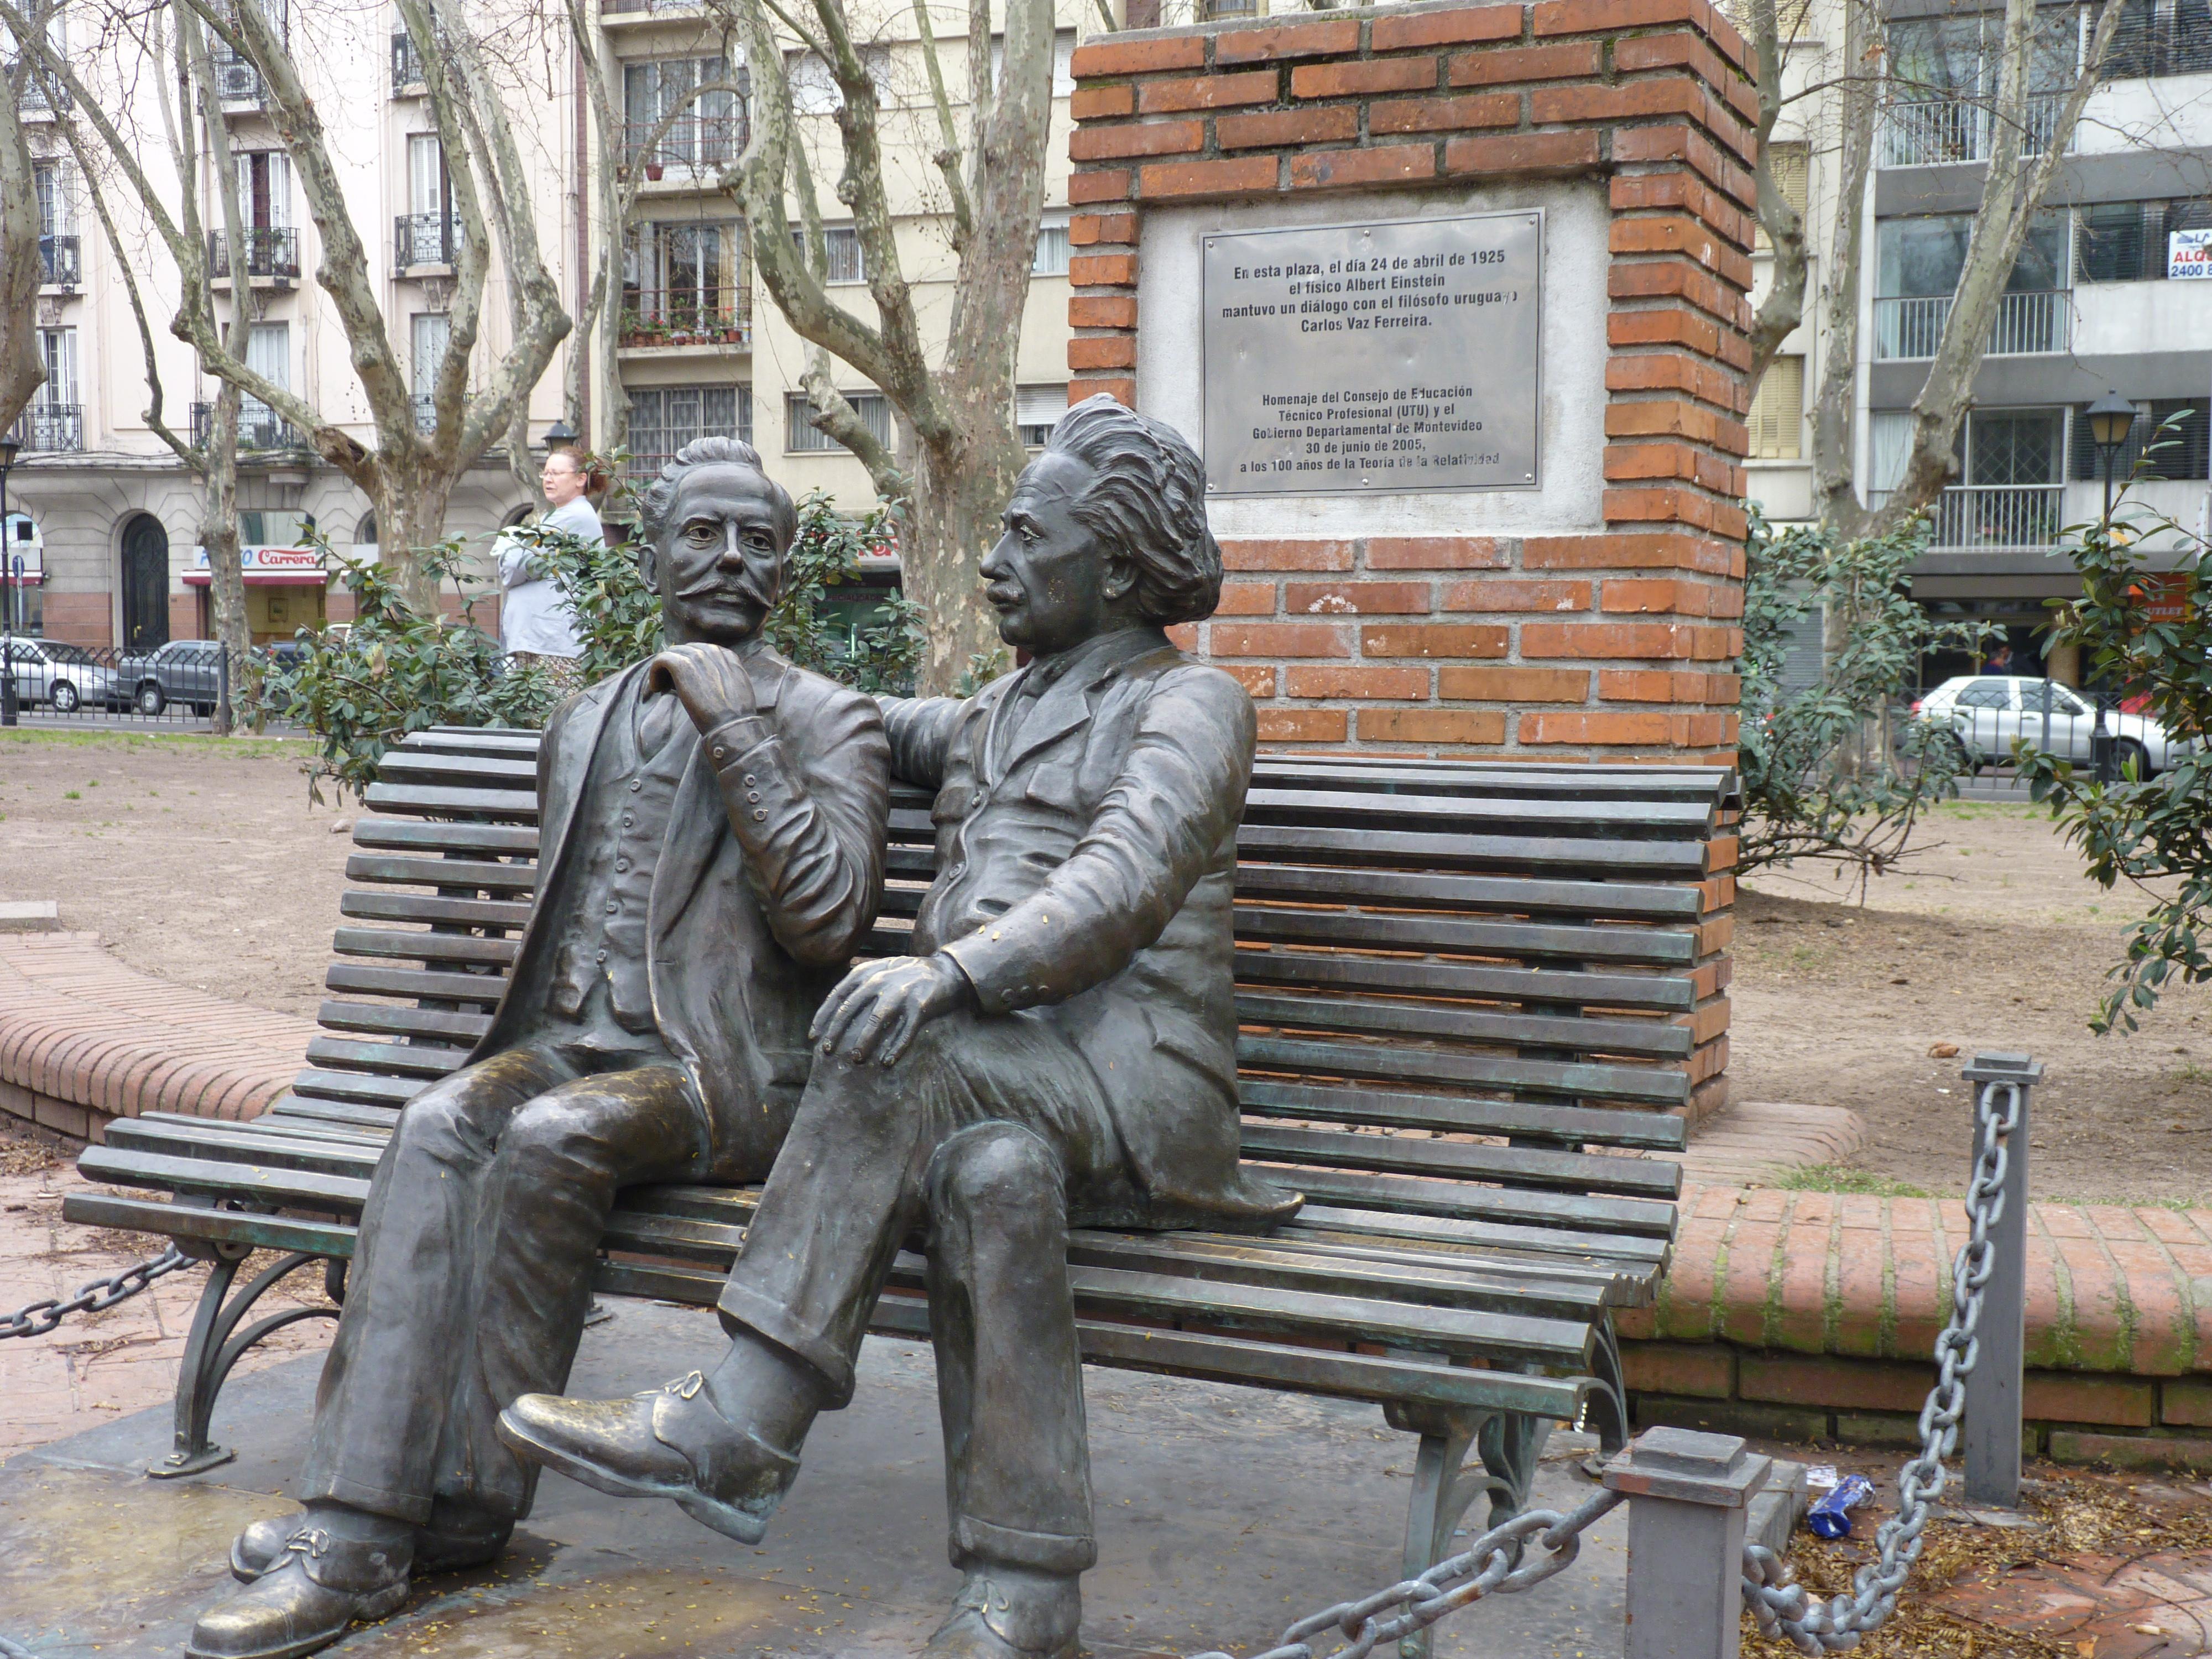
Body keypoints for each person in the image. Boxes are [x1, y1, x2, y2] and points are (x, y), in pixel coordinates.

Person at [498, 398, 1300, 1659]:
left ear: (1112, 565)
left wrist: (946, 976)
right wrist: (726, 694)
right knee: (992, 1174)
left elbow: (1126, 877)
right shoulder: (987, 714)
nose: (992, 560)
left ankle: (744, 1418)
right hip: (1008, 1098)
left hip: (1138, 1089)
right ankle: (1022, 1587)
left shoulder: (1189, 705)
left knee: (894, 1035)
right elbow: (837, 714)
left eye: (1024, 538)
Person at [186, 437, 891, 1659]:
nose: (733, 559)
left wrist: (738, 733)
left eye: (760, 541)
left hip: (726, 1076)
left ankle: (430, 1513)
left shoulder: (830, 719)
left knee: (558, 1137)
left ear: (787, 566)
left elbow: (829, 918)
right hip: (575, 1038)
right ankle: (372, 1513)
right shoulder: (585, 716)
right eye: (704, 536)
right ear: (648, 550)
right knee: (437, 1124)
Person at [498, 447, 599, 690]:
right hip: (540, 640)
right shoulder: (559, 517)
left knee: (547, 721)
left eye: (556, 473)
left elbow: (515, 565)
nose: (549, 479)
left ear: (580, 479)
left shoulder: (574, 517)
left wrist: (508, 552)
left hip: (554, 644)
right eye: (546, 474)